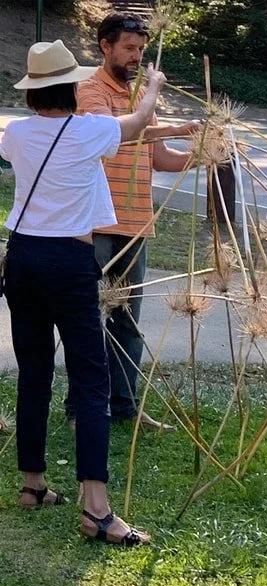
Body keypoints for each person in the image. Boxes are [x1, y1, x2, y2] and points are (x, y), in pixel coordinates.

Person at [1, 39, 167, 544]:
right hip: (69, 261)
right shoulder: (89, 130)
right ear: (73, 86)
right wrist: (154, 87)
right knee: (91, 380)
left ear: (31, 90)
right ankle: (97, 509)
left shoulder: (15, 134)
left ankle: (33, 485)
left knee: (33, 372)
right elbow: (137, 124)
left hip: (22, 256)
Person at [69, 13, 201, 431]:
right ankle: (81, 410)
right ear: (105, 47)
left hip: (136, 224)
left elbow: (159, 158)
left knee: (126, 322)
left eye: (141, 50)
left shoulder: (142, 97)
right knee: (89, 321)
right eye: (129, 48)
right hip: (98, 224)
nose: (137, 57)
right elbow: (116, 136)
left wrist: (201, 155)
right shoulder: (88, 91)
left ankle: (125, 409)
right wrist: (176, 124)